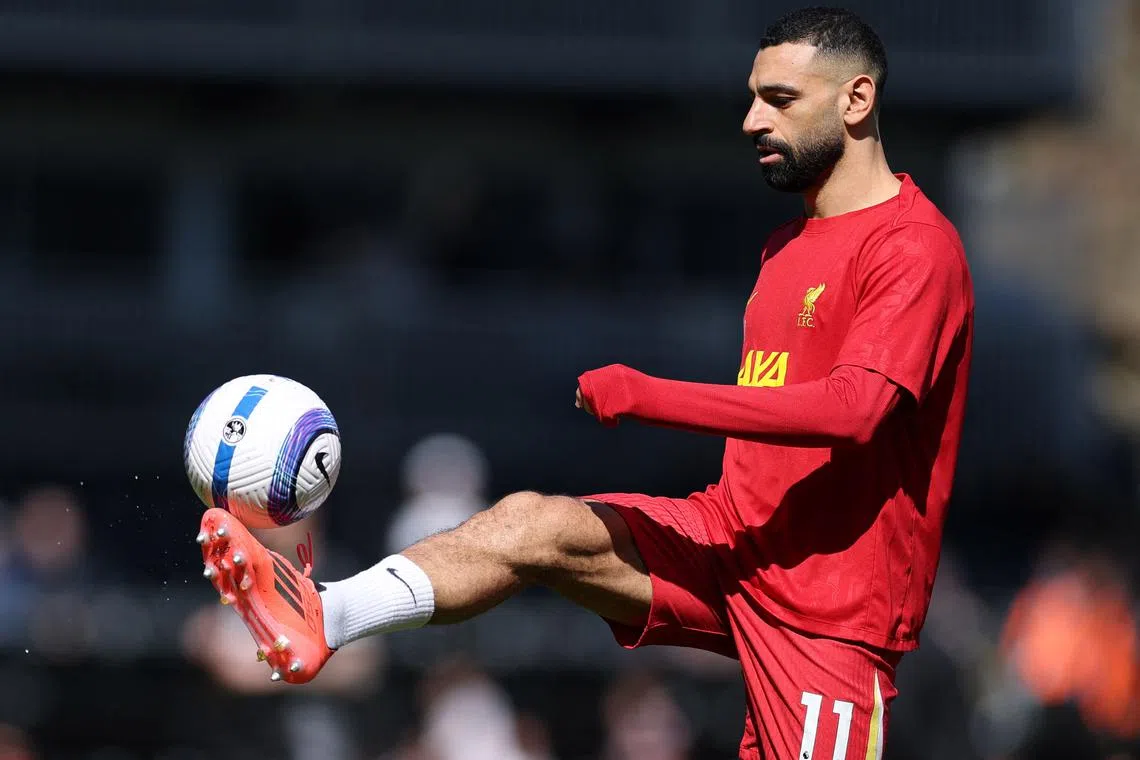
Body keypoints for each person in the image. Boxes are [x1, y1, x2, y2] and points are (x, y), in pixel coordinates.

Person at [196, 7, 974, 758]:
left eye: (779, 100)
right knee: (533, 526)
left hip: (831, 618)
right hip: (730, 543)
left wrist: (648, 394)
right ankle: (324, 615)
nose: (751, 121)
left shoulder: (915, 248)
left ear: (857, 98)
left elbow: (856, 410)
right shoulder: (786, 247)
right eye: (751, 98)